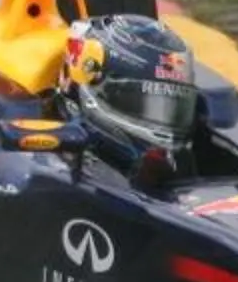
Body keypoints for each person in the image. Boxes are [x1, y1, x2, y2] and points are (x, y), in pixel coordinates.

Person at [61, 13, 202, 186]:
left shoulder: (175, 164)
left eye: (174, 109)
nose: (164, 131)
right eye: (139, 103)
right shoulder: (50, 160)